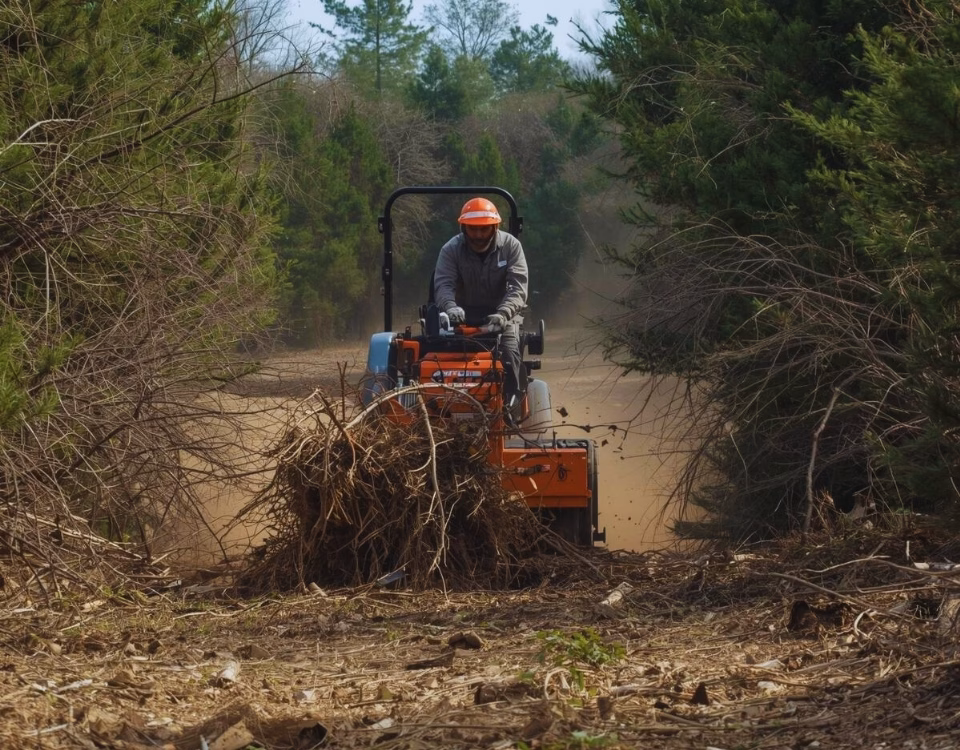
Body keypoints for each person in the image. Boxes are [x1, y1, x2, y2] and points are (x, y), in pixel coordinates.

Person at [433, 196, 529, 412]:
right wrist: (450, 307)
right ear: (463, 227)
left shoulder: (511, 247)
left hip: (502, 315)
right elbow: (443, 285)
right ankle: (438, 408)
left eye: (484, 229)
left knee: (509, 352)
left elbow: (518, 288)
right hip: (459, 316)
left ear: (495, 226)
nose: (478, 235)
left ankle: (509, 409)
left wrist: (503, 314)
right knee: (435, 357)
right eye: (473, 229)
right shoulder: (450, 250)